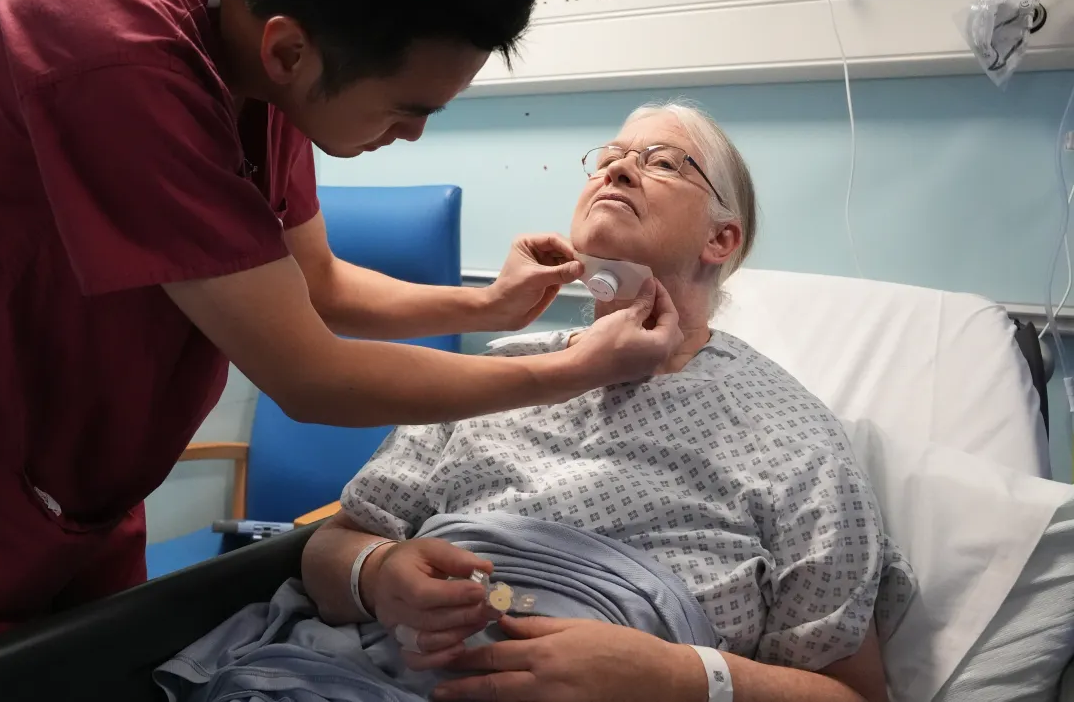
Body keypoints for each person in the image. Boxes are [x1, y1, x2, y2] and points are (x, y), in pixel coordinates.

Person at [0, 0, 684, 694]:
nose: (414, 135)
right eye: (408, 109)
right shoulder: (106, 53)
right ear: (289, 50)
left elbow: (320, 283)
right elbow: (311, 373)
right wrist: (572, 370)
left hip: (85, 489)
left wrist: (482, 303)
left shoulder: (267, 51)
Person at [298, 103, 916, 702]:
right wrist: (377, 576)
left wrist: (680, 680)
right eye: (610, 156)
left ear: (721, 239)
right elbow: (330, 548)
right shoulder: (501, 374)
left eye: (665, 164)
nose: (615, 170)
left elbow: (851, 692)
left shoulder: (789, 433)